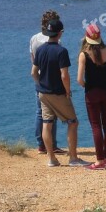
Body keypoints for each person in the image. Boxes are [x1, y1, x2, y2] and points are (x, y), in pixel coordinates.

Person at [31, 18, 90, 167]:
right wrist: (68, 91)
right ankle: (73, 159)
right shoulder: (61, 51)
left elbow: (33, 72)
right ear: (60, 33)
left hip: (42, 93)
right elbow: (64, 75)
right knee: (73, 122)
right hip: (57, 93)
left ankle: (51, 159)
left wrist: (40, 85)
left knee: (47, 123)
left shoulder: (40, 50)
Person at [77, 24, 106, 170]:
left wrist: (85, 85)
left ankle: (99, 161)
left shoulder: (84, 54)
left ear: (87, 37)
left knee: (96, 126)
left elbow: (79, 79)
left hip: (91, 94)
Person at [29, 10, 64, 155]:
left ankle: (41, 144)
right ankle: (53, 144)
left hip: (39, 79)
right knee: (52, 114)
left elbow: (33, 61)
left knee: (40, 113)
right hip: (53, 80)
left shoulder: (34, 39)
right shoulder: (56, 41)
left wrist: (37, 80)